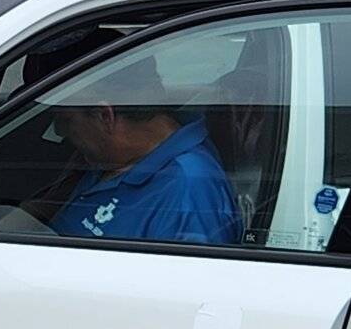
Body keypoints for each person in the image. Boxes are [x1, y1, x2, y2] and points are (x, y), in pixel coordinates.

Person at [49, 95, 241, 247]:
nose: (59, 131)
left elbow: (184, 290)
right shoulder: (111, 158)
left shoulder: (188, 193)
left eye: (66, 120)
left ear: (105, 116)